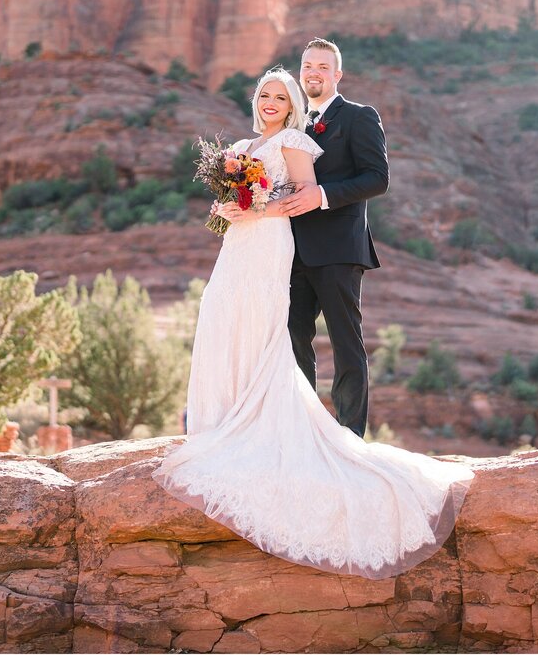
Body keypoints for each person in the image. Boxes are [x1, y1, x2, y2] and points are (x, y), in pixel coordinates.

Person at [151, 66, 474, 579]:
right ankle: (224, 423)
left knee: (291, 333)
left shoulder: (303, 138)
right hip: (239, 249)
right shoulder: (240, 145)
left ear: (295, 100)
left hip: (278, 243)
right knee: (224, 321)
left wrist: (254, 209)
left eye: (281, 95)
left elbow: (303, 195)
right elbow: (235, 207)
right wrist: (226, 207)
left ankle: (329, 434)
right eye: (265, 93)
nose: (271, 101)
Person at [278, 38, 386, 438]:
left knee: (346, 343)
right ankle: (303, 432)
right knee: (293, 342)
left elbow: (378, 179)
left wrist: (320, 196)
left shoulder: (359, 117)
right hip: (291, 251)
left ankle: (349, 436)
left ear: (337, 74)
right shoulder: (290, 125)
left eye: (323, 67)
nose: (314, 73)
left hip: (340, 249)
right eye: (307, 66)